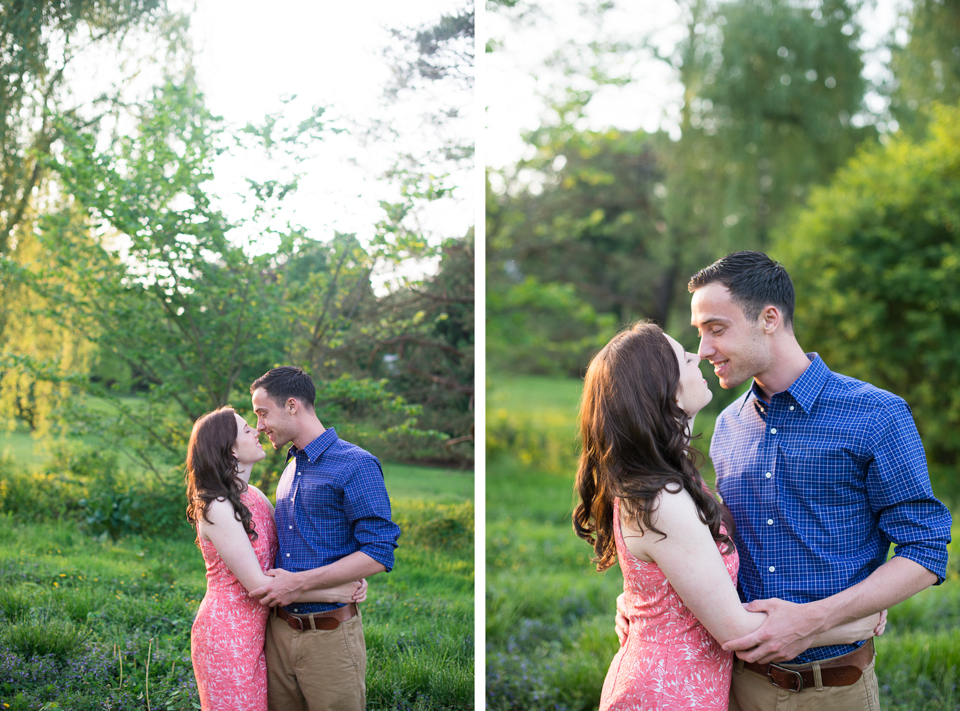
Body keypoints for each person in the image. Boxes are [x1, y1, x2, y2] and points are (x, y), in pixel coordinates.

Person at [619, 251, 952, 709]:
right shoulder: (729, 424)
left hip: (835, 688)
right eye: (700, 334)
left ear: (769, 319)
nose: (706, 348)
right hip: (730, 685)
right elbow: (704, 542)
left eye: (717, 329)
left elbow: (927, 550)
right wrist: (646, 596)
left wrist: (817, 619)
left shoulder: (876, 414)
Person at [574, 322, 882, 711]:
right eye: (685, 358)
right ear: (659, 389)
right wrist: (852, 622)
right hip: (667, 693)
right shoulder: (663, 498)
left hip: (690, 685)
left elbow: (670, 581)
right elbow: (737, 631)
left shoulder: (668, 477)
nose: (699, 355)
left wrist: (639, 602)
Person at [185, 406, 366, 711]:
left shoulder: (253, 495)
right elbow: (259, 585)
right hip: (229, 636)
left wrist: (345, 572)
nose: (257, 431)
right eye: (246, 429)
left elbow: (285, 557)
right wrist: (335, 592)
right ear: (230, 450)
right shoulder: (217, 507)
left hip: (262, 633)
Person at [246, 366, 401, 711]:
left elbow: (379, 551)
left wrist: (299, 583)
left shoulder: (355, 464)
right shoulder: (290, 467)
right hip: (278, 633)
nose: (259, 426)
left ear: (291, 405)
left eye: (262, 413)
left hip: (329, 636)